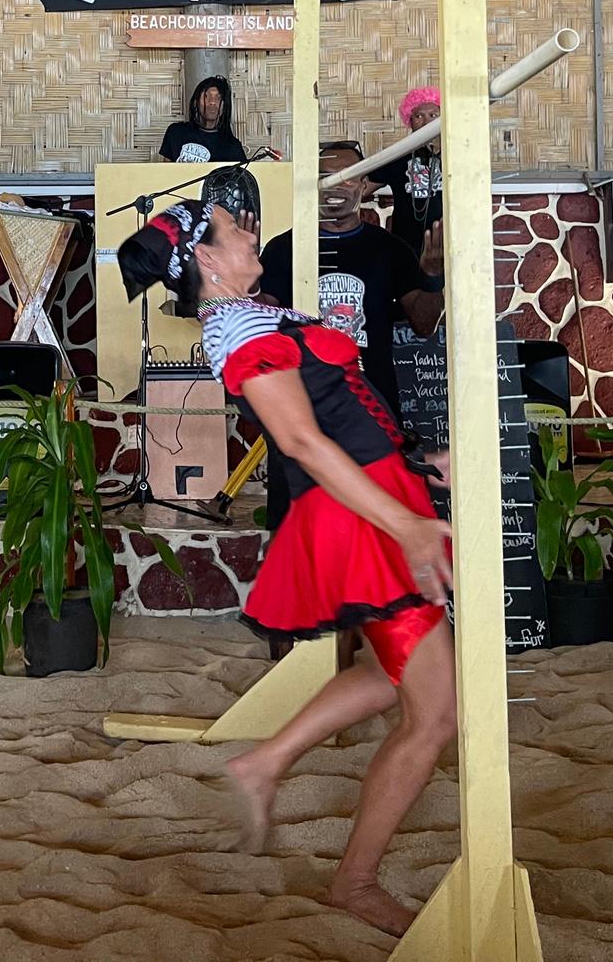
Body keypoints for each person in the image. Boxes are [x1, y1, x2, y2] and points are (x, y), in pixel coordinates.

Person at [118, 201, 454, 938]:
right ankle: (355, 882)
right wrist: (404, 523)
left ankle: (265, 763)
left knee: (393, 672)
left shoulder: (255, 316)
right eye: (234, 228)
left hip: (374, 500)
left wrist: (414, 463)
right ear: (208, 259)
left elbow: (340, 414)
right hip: (361, 522)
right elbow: (302, 441)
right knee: (436, 714)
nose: (249, 233)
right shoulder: (239, 333)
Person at [258, 141, 444, 528]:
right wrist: (241, 285)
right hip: (301, 412)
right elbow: (260, 324)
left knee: (374, 526)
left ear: (363, 186)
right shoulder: (281, 250)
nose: (336, 187)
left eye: (347, 178)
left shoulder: (390, 250)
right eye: (326, 177)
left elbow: (424, 324)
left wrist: (431, 276)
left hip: (372, 411)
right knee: (297, 527)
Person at [371, 87, 443, 260]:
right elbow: (363, 186)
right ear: (410, 121)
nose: (426, 122)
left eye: (433, 115)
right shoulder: (398, 156)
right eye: (419, 116)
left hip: (447, 245)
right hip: (405, 247)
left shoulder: (457, 156)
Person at [159, 75, 246, 164]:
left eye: (218, 98)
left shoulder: (233, 147)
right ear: (195, 102)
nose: (212, 102)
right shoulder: (176, 132)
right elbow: (165, 170)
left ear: (224, 107)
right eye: (206, 96)